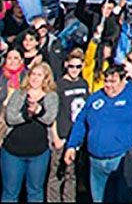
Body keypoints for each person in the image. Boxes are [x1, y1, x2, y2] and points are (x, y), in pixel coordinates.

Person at [64, 66, 132, 202]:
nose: (108, 86)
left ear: (124, 80)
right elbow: (81, 121)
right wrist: (72, 145)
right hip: (96, 162)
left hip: (123, 161)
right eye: (106, 81)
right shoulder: (96, 97)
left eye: (113, 82)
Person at [0, 61, 58, 203]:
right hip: (13, 151)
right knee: (10, 192)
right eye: (33, 74)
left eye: (39, 75)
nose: (35, 78)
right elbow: (10, 118)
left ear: (46, 78)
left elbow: (49, 118)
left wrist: (38, 111)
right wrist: (27, 115)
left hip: (38, 152)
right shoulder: (19, 93)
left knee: (35, 192)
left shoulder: (51, 96)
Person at [49, 48, 89, 204]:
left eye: (78, 66)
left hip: (78, 136)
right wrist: (55, 136)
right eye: (71, 66)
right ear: (66, 65)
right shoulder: (59, 85)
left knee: (72, 175)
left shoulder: (83, 83)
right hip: (63, 134)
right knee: (56, 174)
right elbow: (53, 113)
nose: (74, 70)